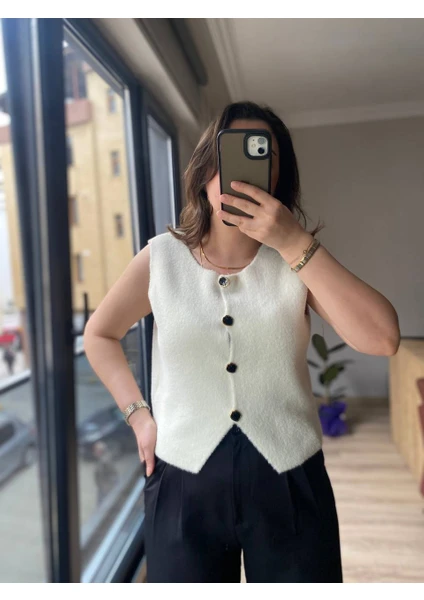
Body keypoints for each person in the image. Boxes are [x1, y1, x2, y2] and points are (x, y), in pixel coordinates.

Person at [83, 101, 400, 582]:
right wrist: (138, 415)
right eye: (229, 156)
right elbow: (100, 334)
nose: (241, 175)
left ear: (278, 180)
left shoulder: (298, 260)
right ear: (204, 170)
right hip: (181, 481)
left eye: (261, 158)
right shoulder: (161, 259)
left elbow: (383, 338)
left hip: (291, 478)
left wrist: (293, 242)